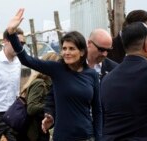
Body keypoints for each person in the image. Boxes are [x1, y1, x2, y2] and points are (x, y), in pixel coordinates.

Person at [7, 8, 101, 141]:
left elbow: (97, 111)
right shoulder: (57, 69)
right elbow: (26, 59)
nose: (66, 52)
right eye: (64, 48)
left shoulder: (91, 75)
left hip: (87, 136)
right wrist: (11, 34)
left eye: (71, 48)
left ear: (81, 52)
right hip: (62, 137)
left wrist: (99, 137)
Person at [16, 52, 59, 141]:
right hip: (35, 133)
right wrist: (51, 106)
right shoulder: (40, 83)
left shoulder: (48, 83)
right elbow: (31, 108)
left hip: (41, 130)